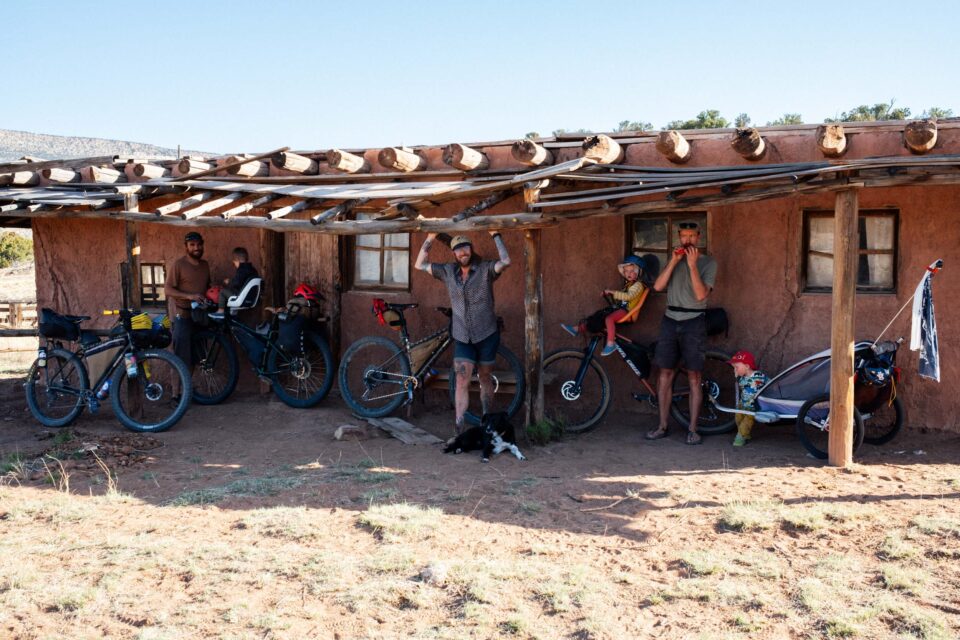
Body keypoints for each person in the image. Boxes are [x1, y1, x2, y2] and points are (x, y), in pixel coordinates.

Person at [414, 231, 511, 435]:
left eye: (465, 247)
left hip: (486, 334)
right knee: (461, 380)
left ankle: (486, 421)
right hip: (462, 335)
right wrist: (430, 237)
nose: (462, 252)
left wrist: (495, 235)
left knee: (485, 377)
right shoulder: (448, 271)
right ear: (454, 253)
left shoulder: (485, 269)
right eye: (458, 249)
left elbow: (506, 261)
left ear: (471, 249)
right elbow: (419, 265)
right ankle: (459, 428)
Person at [645, 221, 717, 445]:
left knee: (695, 375)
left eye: (692, 236)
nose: (687, 240)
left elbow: (700, 295)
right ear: (679, 237)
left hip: (694, 321)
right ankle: (662, 426)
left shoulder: (708, 262)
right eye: (683, 236)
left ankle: (693, 429)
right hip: (670, 318)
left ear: (698, 238)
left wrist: (692, 265)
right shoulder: (673, 259)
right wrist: (674, 261)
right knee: (664, 373)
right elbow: (657, 287)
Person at [560, 255, 646, 356]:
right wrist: (610, 294)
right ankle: (577, 329)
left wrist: (612, 292)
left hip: (626, 312)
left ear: (638, 272)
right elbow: (622, 296)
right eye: (626, 271)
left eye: (631, 271)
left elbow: (628, 296)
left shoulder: (638, 285)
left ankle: (610, 343)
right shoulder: (629, 285)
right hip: (620, 309)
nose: (628, 273)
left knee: (609, 319)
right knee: (599, 316)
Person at [164, 231, 211, 369]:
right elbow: (168, 290)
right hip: (183, 316)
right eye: (192, 245)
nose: (196, 248)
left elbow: (207, 287)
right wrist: (190, 296)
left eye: (199, 245)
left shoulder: (205, 265)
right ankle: (177, 391)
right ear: (186, 247)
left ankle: (188, 389)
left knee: (198, 357)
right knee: (181, 358)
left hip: (200, 316)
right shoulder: (178, 265)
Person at [727, 350, 769, 447]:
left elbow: (770, 383)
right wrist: (737, 377)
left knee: (746, 422)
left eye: (736, 367)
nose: (735, 370)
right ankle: (746, 435)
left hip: (752, 406)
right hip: (742, 404)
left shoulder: (759, 376)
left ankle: (739, 439)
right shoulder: (742, 378)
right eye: (734, 368)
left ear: (747, 366)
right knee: (738, 419)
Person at [217, 247, 259, 313]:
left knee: (222, 292)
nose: (235, 265)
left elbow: (237, 283)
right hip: (251, 299)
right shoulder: (253, 270)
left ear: (236, 260)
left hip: (240, 297)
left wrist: (229, 282)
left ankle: (220, 311)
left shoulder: (241, 270)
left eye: (234, 263)